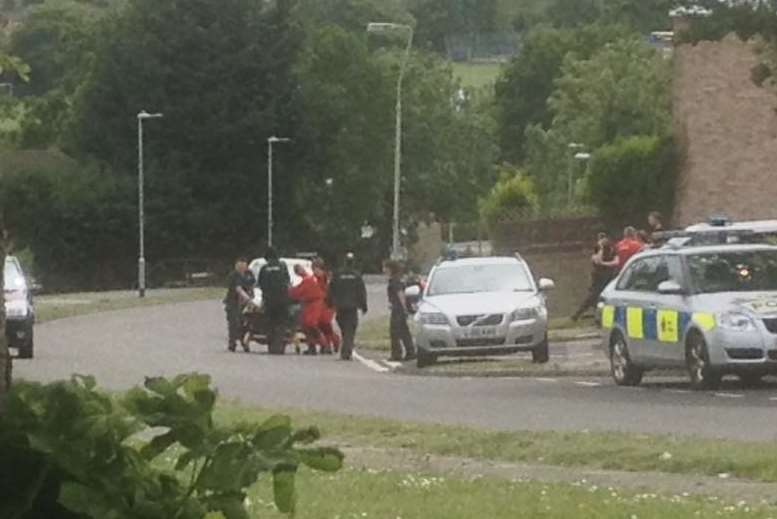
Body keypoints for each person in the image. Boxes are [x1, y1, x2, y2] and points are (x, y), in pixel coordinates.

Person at [328, 252, 368, 361]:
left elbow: (331, 289)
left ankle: (345, 350)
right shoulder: (357, 276)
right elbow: (361, 292)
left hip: (340, 306)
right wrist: (364, 306)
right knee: (350, 329)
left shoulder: (338, 274)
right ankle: (346, 352)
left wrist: (329, 303)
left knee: (344, 329)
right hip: (352, 307)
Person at [572, 234, 618, 322]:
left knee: (602, 297)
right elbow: (597, 260)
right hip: (598, 278)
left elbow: (616, 262)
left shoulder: (612, 252)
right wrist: (601, 250)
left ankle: (598, 316)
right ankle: (577, 315)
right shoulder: (596, 254)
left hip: (608, 277)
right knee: (592, 296)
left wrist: (604, 264)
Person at [258, 247, 291, 355]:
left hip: (269, 300)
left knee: (270, 323)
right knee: (281, 323)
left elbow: (260, 284)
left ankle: (271, 346)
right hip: (282, 300)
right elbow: (287, 282)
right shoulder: (283, 266)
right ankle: (279, 346)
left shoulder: (264, 268)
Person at [289, 263, 325, 355]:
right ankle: (312, 346)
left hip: (315, 303)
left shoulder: (310, 279)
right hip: (308, 303)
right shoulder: (308, 279)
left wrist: (289, 291)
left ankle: (323, 343)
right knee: (306, 325)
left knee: (311, 323)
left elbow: (298, 291)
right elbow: (298, 291)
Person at [385, 260, 416, 362]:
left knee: (394, 332)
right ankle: (410, 351)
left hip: (398, 309)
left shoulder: (394, 281)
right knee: (404, 331)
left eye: (385, 268)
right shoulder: (397, 279)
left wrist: (404, 308)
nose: (384, 270)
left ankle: (396, 354)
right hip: (398, 308)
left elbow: (400, 294)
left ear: (390, 269)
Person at [224, 257, 253, 353]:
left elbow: (252, 285)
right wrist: (248, 299)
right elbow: (238, 289)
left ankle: (244, 343)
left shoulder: (249, 274)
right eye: (240, 266)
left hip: (245, 304)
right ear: (237, 265)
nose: (242, 268)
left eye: (244, 266)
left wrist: (251, 297)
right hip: (233, 302)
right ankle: (232, 344)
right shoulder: (234, 275)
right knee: (234, 323)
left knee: (246, 324)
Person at [313, 258, 340, 355]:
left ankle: (334, 341)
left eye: (317, 270)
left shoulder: (327, 279)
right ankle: (327, 345)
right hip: (320, 305)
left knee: (325, 324)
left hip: (328, 304)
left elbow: (329, 291)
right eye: (314, 269)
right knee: (321, 325)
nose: (315, 272)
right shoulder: (316, 279)